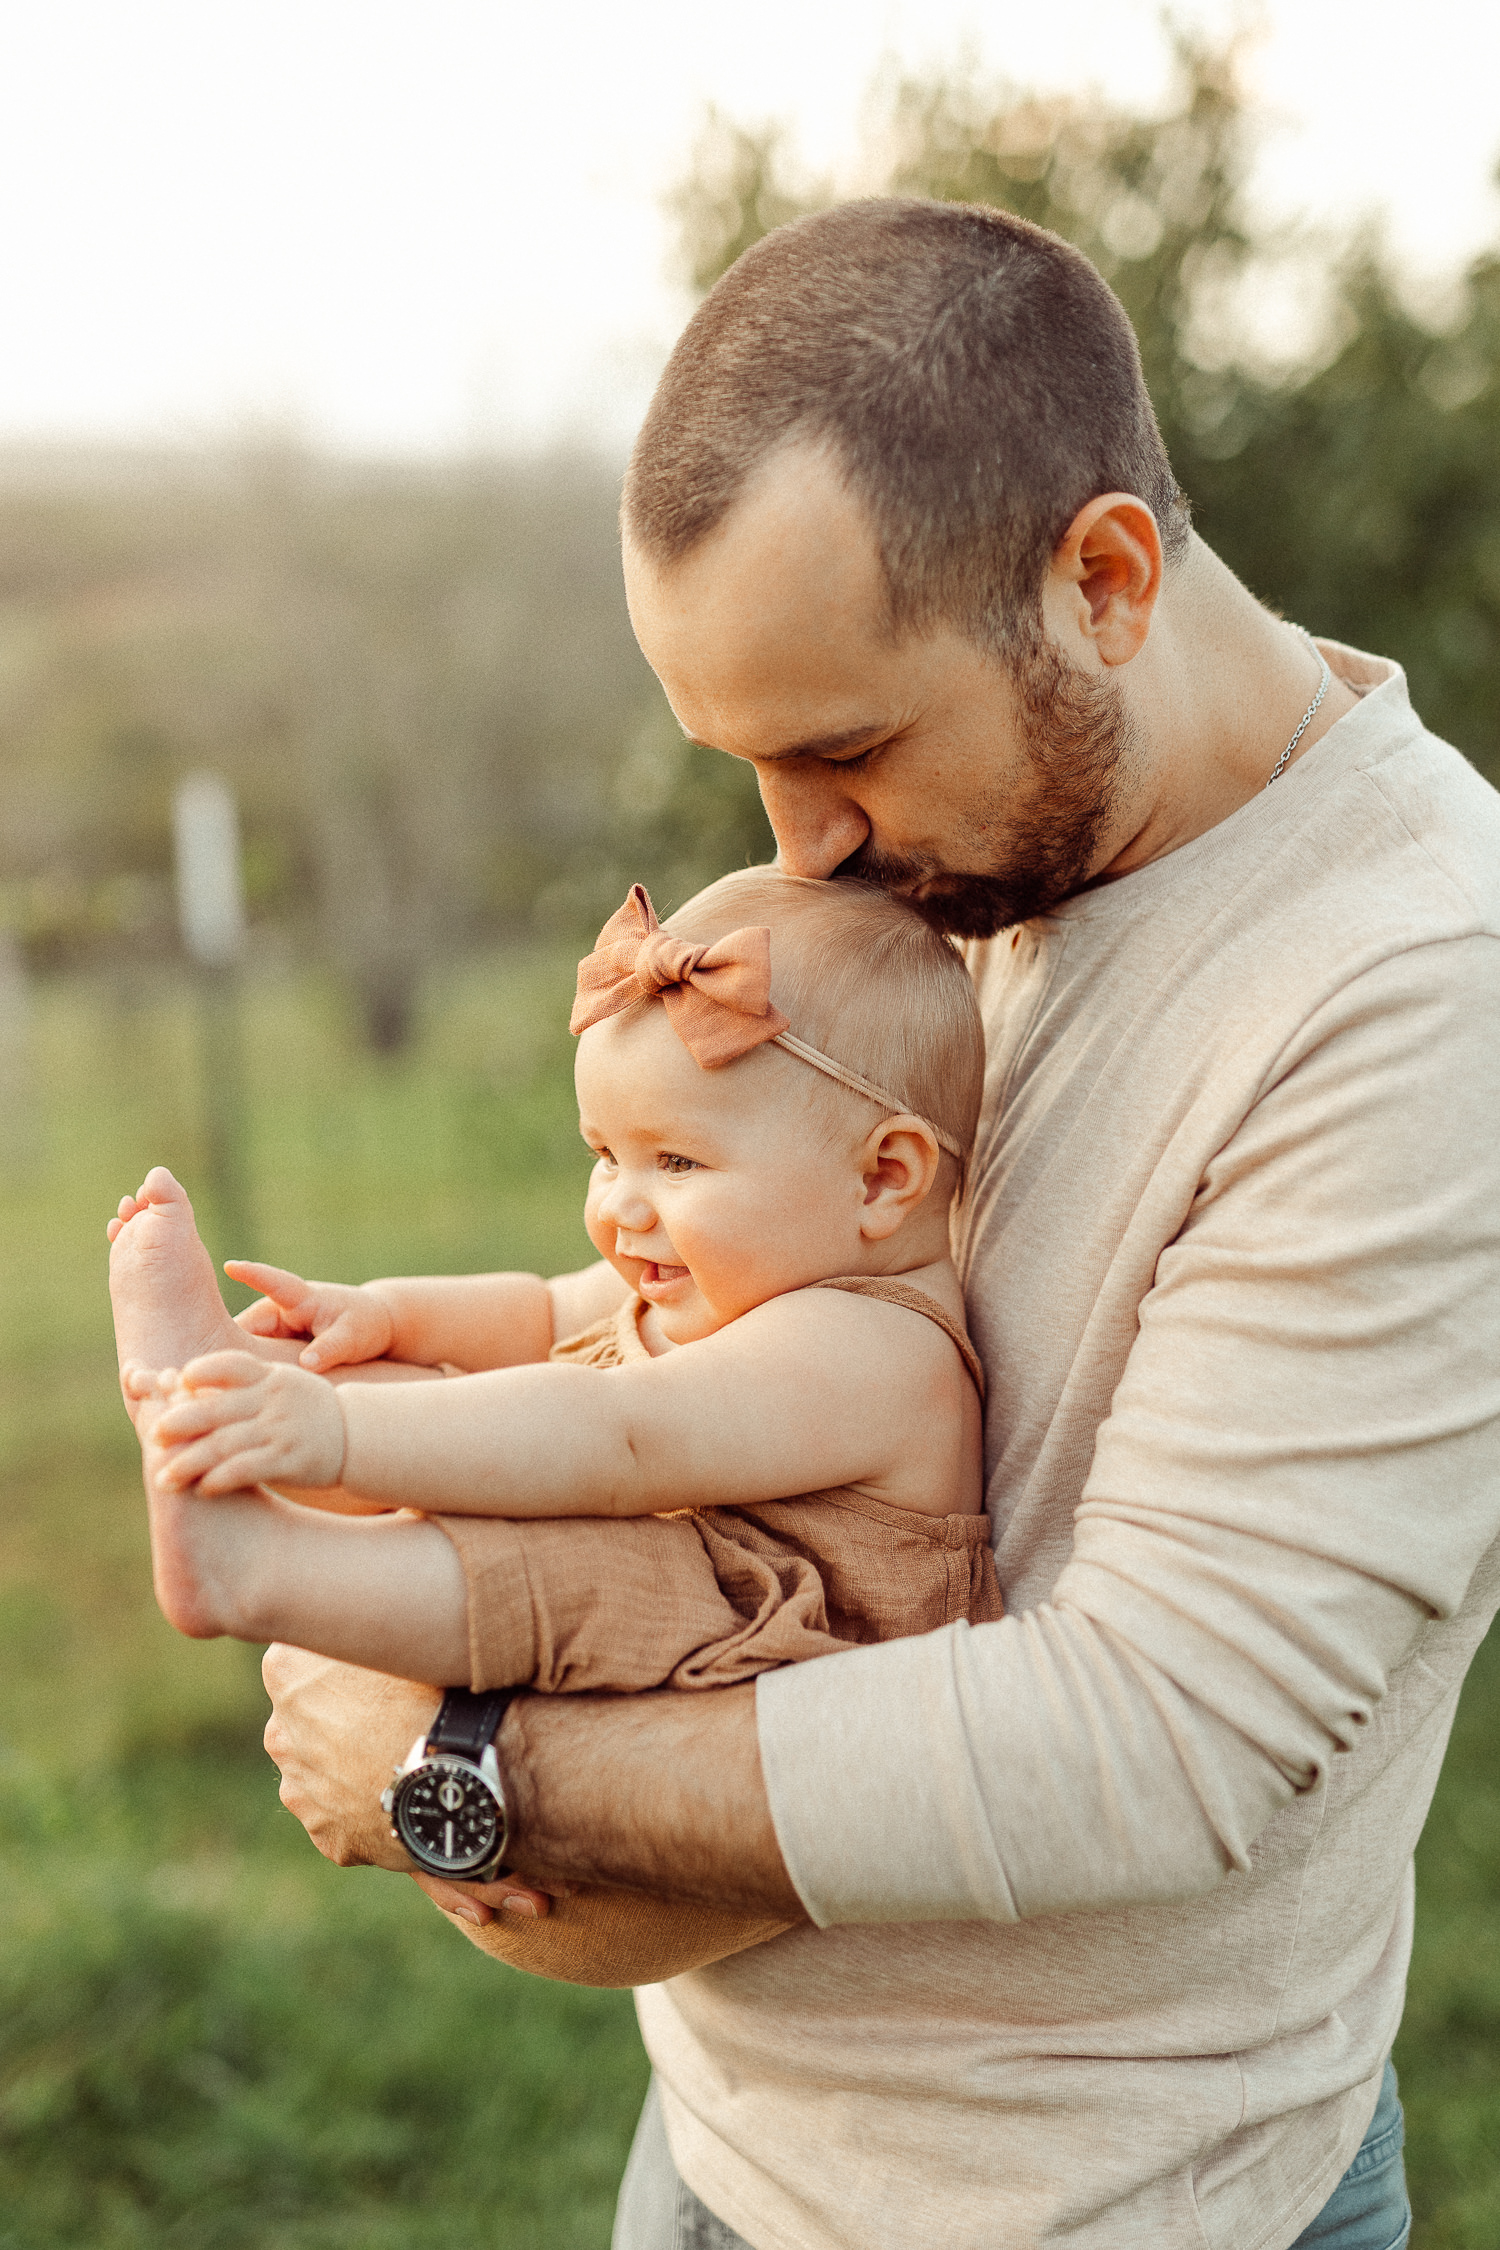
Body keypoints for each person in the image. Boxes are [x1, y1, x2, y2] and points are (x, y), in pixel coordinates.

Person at [259, 199, 1500, 2250]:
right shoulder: (964, 874)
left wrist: (470, 1753)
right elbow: (833, 1317)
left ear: (1102, 582)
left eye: (840, 749)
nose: (799, 853)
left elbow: (1154, 1737)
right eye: (745, 763)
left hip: (1102, 2212)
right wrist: (491, 1341)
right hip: (732, 2152)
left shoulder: (1416, 984)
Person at [109, 869, 999, 1986]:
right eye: (603, 1153)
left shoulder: (875, 1349)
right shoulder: (732, 1274)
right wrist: (378, 1317)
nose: (619, 1205)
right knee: (468, 1387)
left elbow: (621, 1433)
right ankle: (219, 1389)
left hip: (682, 1825)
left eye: (675, 1162)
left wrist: (339, 1430)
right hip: (576, 1751)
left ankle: (259, 1561)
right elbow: (541, 1308)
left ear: (884, 1177)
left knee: (579, 1526)